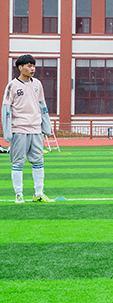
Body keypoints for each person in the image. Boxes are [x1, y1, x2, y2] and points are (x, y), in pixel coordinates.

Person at [2, 54, 53, 203]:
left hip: (36, 129)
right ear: (20, 67)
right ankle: (19, 194)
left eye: (33, 66)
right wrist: (7, 132)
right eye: (29, 66)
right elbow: (6, 109)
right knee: (18, 163)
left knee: (39, 162)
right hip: (19, 129)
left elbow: (43, 106)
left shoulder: (37, 84)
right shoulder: (12, 86)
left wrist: (46, 126)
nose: (32, 69)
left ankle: (39, 193)